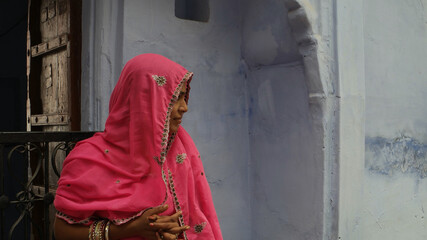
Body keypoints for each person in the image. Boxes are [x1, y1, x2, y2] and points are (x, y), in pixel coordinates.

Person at [53, 54, 223, 240]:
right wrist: (129, 229)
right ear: (145, 100)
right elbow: (62, 232)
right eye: (175, 98)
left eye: (184, 97)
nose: (184, 107)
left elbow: (187, 223)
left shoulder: (177, 149)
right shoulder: (88, 158)